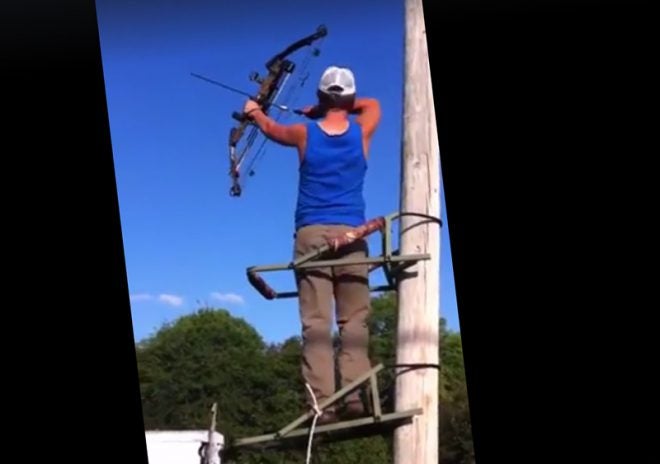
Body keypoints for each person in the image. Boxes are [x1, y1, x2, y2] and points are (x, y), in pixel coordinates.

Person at [243, 66, 381, 424]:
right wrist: (331, 108)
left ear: (320, 97)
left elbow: (272, 129)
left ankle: (323, 407)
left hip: (311, 235)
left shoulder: (304, 134)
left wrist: (254, 112)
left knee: (316, 325)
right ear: (349, 100)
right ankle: (353, 400)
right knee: (354, 322)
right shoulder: (362, 129)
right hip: (353, 235)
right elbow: (372, 104)